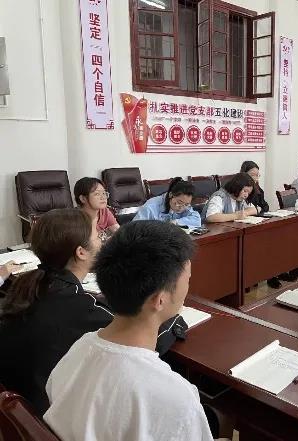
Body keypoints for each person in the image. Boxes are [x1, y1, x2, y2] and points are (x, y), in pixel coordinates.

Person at [44, 221, 214, 441]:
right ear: (160, 300)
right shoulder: (177, 397)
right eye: (188, 279)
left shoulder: (80, 348)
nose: (188, 287)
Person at [0, 209, 108, 414]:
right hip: (42, 415)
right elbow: (143, 335)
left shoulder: (28, 284)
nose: (101, 241)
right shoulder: (76, 304)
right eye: (98, 236)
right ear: (81, 252)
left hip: (16, 408)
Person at [240, 161, 295, 289]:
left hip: (259, 221)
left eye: (257, 175)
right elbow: (248, 209)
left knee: (280, 237)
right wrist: (257, 209)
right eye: (252, 175)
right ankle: (270, 276)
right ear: (244, 174)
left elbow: (265, 206)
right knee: (268, 242)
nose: (255, 178)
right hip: (247, 225)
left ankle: (279, 271)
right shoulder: (243, 190)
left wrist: (258, 209)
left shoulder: (258, 189)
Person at [133, 177, 201, 227]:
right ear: (171, 195)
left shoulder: (185, 205)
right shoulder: (150, 207)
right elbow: (134, 229)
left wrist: (176, 222)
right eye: (179, 202)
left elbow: (197, 219)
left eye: (186, 204)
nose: (181, 208)